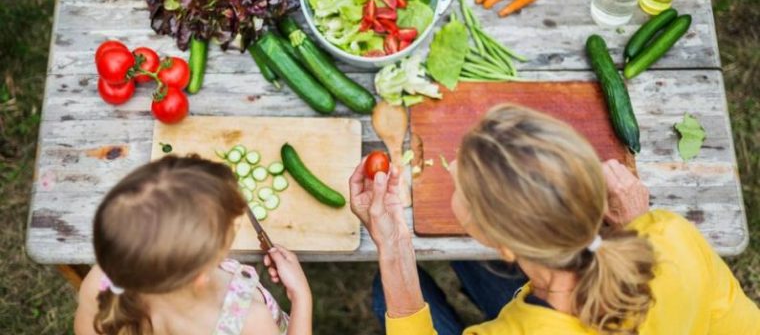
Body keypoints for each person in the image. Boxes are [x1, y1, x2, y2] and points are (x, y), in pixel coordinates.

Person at [350, 104, 759, 335]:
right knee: (466, 265)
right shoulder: (671, 235)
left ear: (503, 245)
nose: (454, 166)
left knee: (389, 297)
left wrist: (393, 247)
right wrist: (640, 224)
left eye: (464, 189)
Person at [74, 156, 312, 335]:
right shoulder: (250, 321)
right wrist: (301, 297)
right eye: (228, 228)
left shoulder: (101, 283)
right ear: (200, 274)